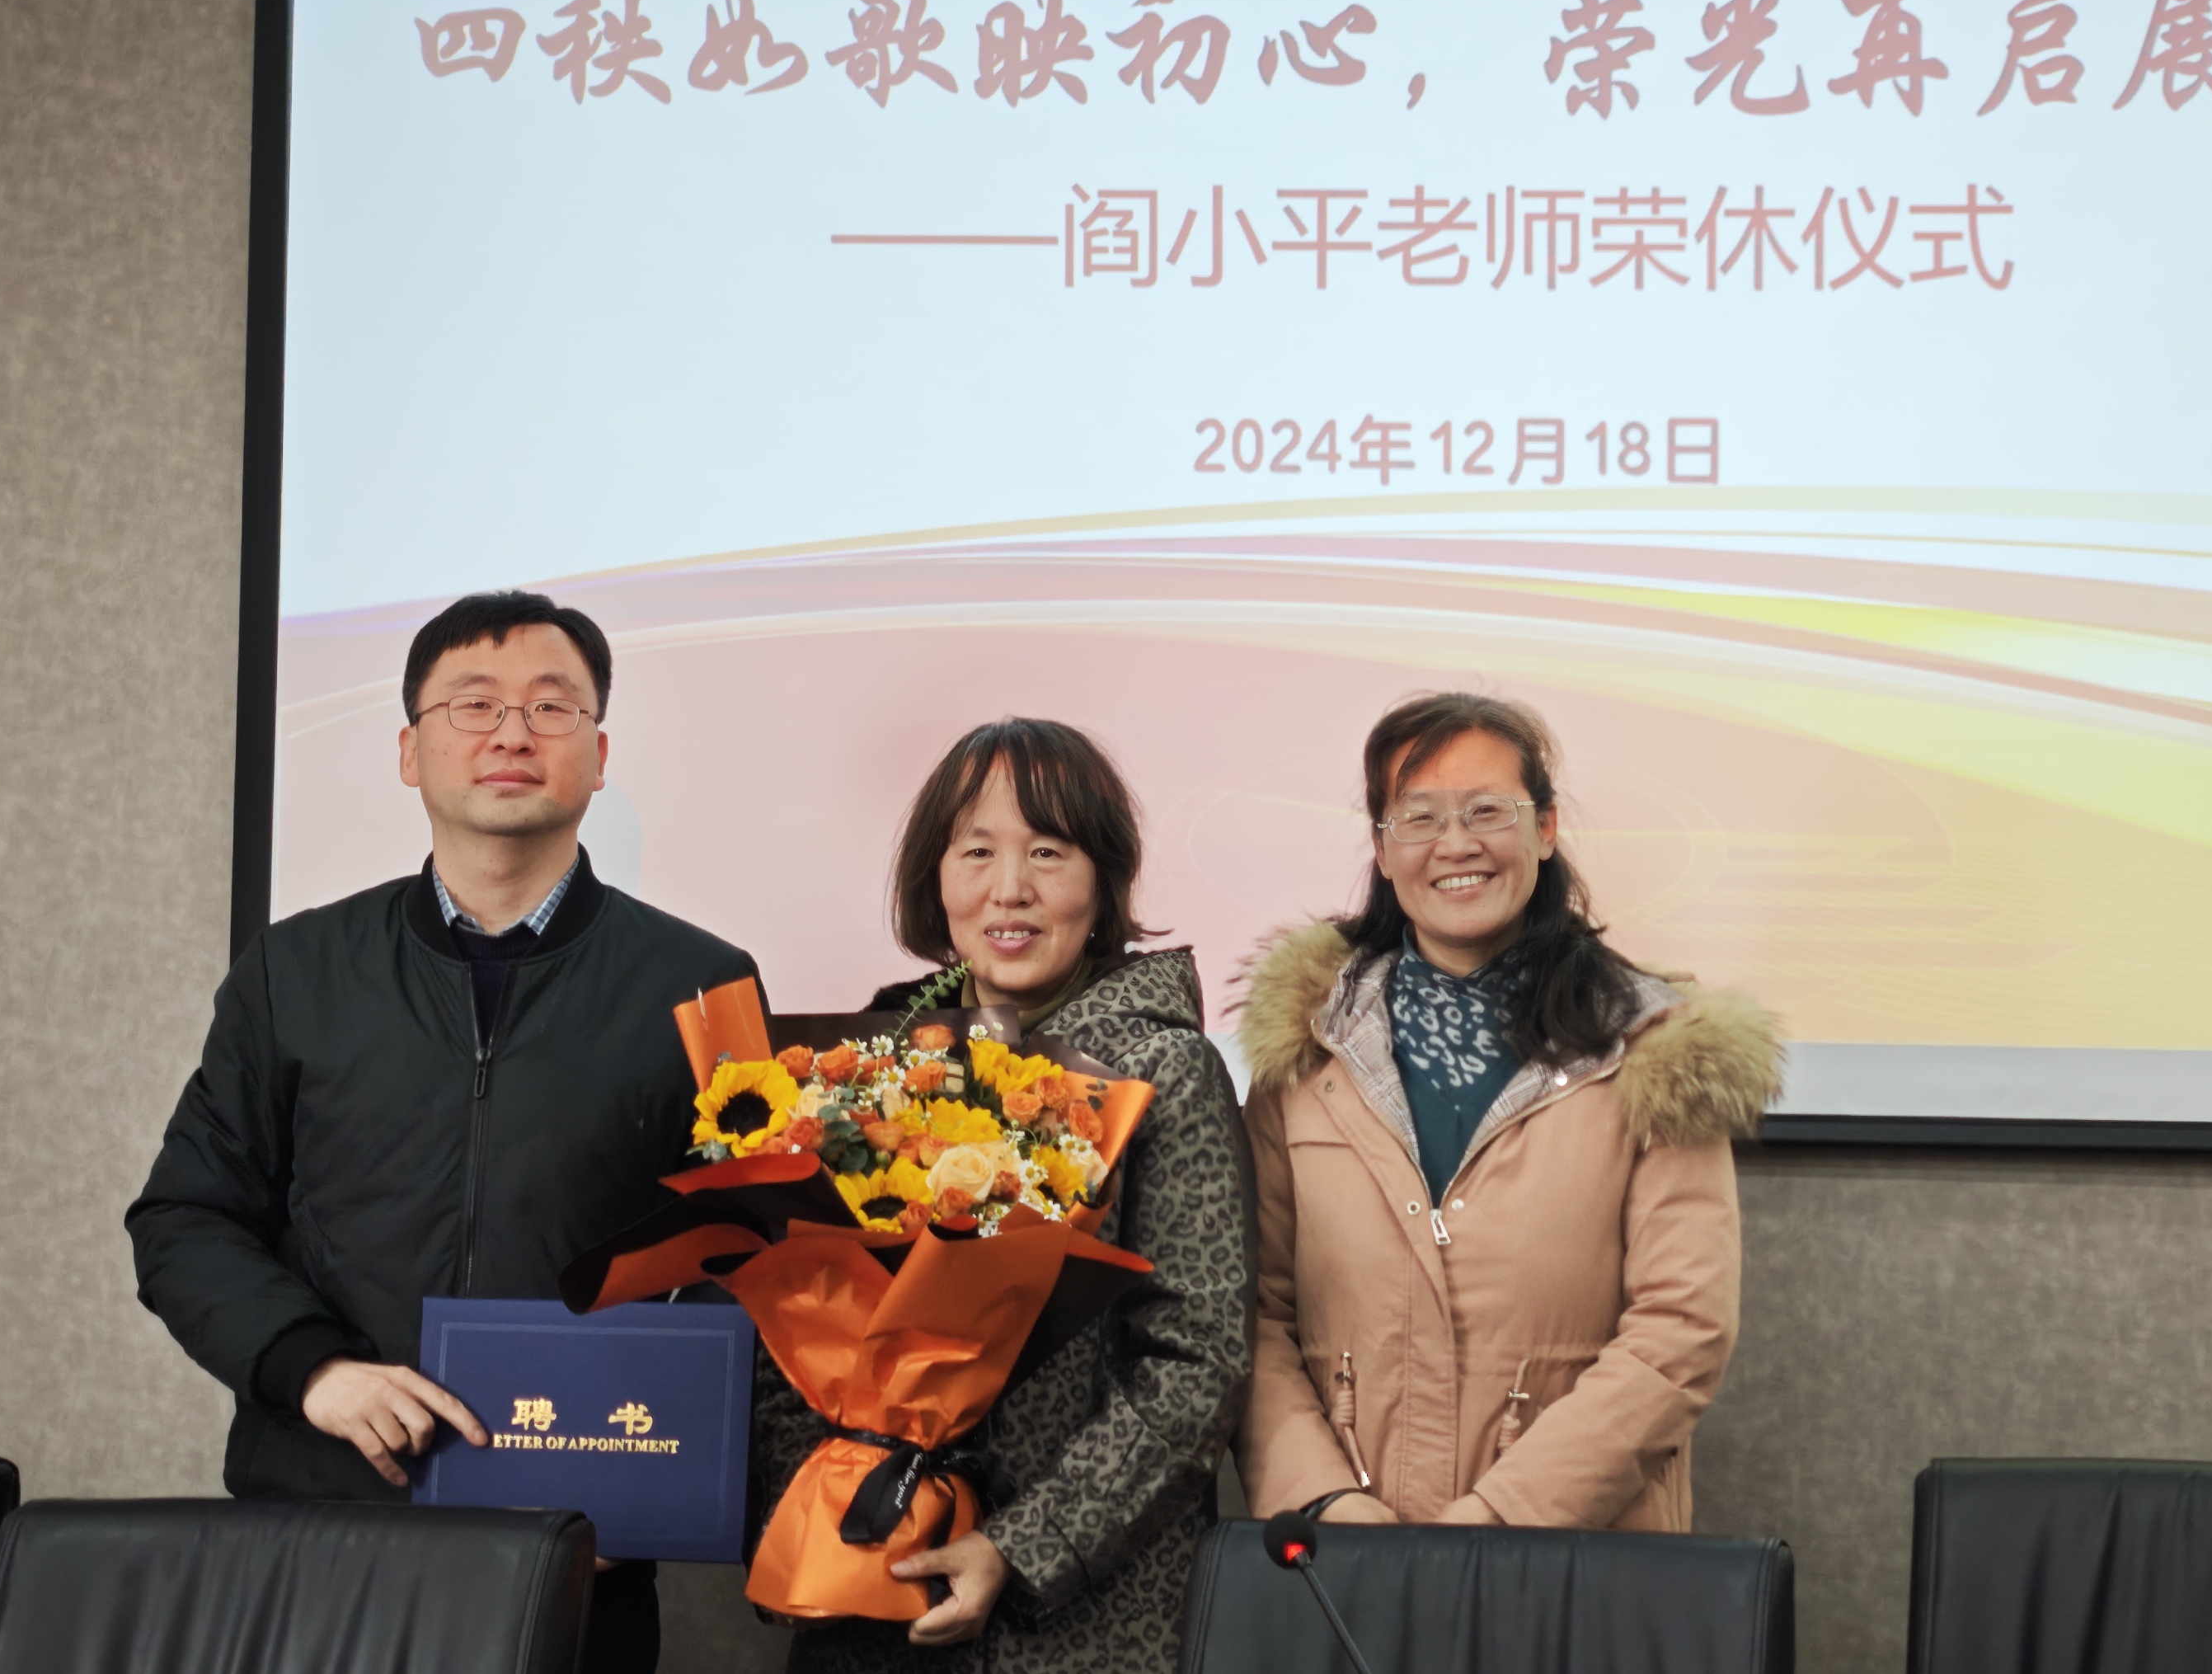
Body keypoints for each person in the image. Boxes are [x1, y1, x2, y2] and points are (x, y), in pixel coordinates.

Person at [129, 590, 756, 1674]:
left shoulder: (705, 984)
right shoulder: (296, 969)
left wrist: (646, 1470)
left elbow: (755, 1254)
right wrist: (314, 1369)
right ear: (410, 750)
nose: (511, 733)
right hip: (318, 1520)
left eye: (550, 707)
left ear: (600, 756)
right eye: (473, 704)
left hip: (576, 1541)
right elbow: (186, 1217)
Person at [751, 718, 1252, 1673]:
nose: (1009, 886)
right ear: (934, 876)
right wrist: (812, 1520)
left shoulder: (1164, 1069)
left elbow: (1197, 1361)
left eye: (1048, 852)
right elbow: (791, 1337)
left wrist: (1020, 1547)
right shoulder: (867, 1065)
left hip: (1077, 1625)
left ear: (1102, 880)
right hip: (873, 1593)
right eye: (976, 850)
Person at [1237, 690, 1782, 1530]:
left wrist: (1502, 1517)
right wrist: (1321, 1498)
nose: (1456, 843)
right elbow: (1253, 1314)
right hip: (1346, 1560)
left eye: (1487, 810)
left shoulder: (1655, 1050)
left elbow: (1680, 1330)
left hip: (1576, 1559)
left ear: (1546, 827)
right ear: (1382, 849)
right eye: (1418, 817)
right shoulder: (1308, 1049)